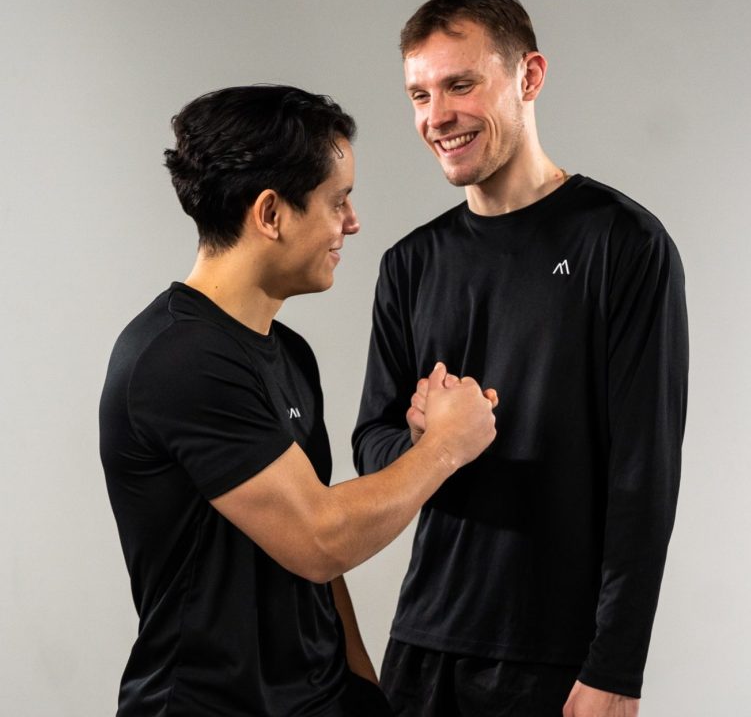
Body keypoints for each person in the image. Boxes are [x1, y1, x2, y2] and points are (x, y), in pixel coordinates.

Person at [99, 84, 498, 717]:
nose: (352, 222)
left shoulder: (288, 353)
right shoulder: (177, 358)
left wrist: (363, 690)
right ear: (270, 214)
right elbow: (320, 537)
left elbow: (319, 562)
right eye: (337, 201)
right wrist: (447, 447)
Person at [353, 0, 688, 717]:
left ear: (529, 77)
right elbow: (372, 444)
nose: (436, 117)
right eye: (419, 95)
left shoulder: (623, 244)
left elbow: (644, 476)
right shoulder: (410, 264)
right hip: (423, 644)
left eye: (460, 85)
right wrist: (433, 441)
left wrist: (616, 669)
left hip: (559, 659)